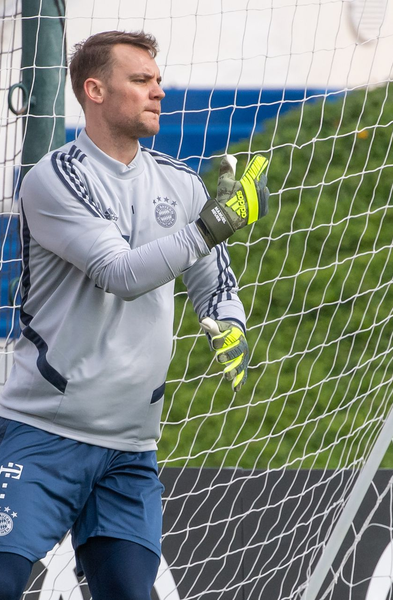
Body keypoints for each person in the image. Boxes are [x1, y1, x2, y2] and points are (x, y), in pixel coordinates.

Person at [0, 31, 269, 600]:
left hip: (131, 446)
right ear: (94, 90)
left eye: (159, 80)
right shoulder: (54, 178)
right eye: (141, 81)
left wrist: (231, 320)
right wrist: (214, 225)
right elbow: (120, 274)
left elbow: (212, 278)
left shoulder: (179, 180)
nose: (159, 92)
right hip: (43, 433)